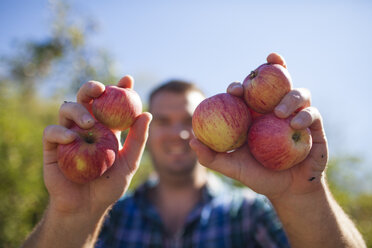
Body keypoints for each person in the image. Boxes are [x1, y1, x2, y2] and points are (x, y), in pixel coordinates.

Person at [22, 53, 366, 248]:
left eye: (191, 118)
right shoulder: (110, 219)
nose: (180, 132)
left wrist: (303, 197)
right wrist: (73, 214)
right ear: (142, 132)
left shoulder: (251, 214)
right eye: (164, 120)